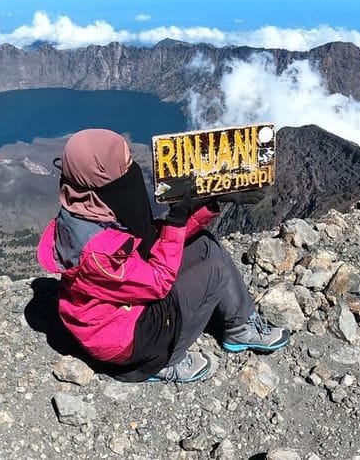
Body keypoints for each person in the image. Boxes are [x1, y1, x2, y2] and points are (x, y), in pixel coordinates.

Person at [36, 128, 289, 382]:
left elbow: (150, 243)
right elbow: (158, 283)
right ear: (101, 176)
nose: (131, 169)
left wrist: (210, 202)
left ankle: (239, 327)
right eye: (124, 166)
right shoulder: (97, 251)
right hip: (119, 338)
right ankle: (162, 361)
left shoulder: (92, 206)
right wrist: (177, 221)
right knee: (214, 271)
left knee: (204, 245)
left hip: (122, 308)